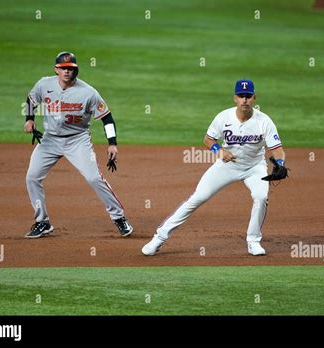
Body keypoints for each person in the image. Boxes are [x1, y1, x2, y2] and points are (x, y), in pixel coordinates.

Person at [142, 79, 286, 256]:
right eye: (241, 96)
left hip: (254, 167)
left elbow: (278, 150)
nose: (245, 100)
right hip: (227, 166)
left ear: (254, 98)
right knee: (198, 197)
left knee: (261, 196)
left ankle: (253, 241)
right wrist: (218, 150)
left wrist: (280, 163)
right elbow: (208, 139)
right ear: (235, 98)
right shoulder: (223, 117)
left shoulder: (265, 122)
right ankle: (159, 238)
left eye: (248, 96)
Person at [23, 52, 132, 238]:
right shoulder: (44, 84)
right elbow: (31, 100)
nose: (67, 72)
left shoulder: (88, 92)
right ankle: (42, 222)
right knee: (32, 177)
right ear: (56, 69)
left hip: (77, 140)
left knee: (93, 178)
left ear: (76, 69)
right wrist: (29, 119)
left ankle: (119, 217)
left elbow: (107, 118)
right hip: (50, 140)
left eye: (71, 68)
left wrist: (112, 143)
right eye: (63, 68)